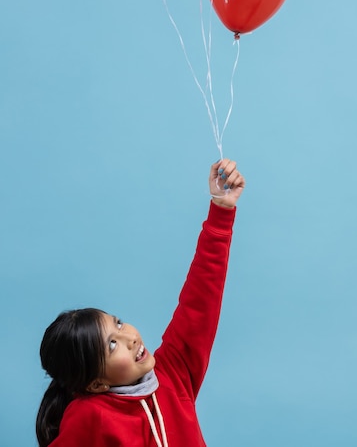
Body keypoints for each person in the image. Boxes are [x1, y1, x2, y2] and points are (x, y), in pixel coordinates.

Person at [36, 158, 245, 447]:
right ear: (96, 384)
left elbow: (200, 300)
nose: (130, 338)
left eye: (118, 324)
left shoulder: (174, 374)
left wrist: (222, 210)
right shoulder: (90, 416)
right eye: (112, 345)